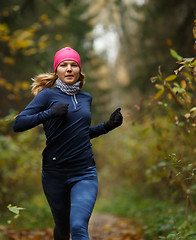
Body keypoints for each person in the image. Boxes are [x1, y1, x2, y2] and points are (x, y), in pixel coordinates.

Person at [13, 47, 123, 240]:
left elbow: (79, 134)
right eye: (64, 65)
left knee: (78, 226)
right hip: (55, 174)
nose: (69, 68)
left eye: (74, 65)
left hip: (84, 172)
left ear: (80, 70)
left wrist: (107, 126)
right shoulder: (46, 96)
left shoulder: (86, 98)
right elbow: (18, 124)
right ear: (57, 71)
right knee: (63, 230)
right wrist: (49, 113)